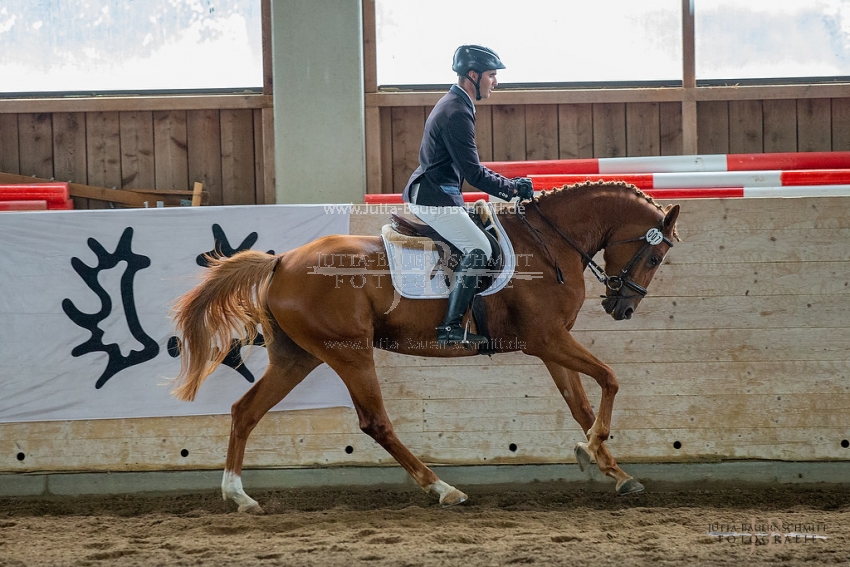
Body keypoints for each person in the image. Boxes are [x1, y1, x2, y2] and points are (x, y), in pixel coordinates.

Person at [402, 44, 535, 346]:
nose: (495, 82)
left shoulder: (456, 103)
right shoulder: (457, 111)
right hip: (433, 197)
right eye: (491, 75)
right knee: (481, 250)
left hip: (438, 192)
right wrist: (512, 188)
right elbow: (473, 172)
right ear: (472, 75)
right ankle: (449, 327)